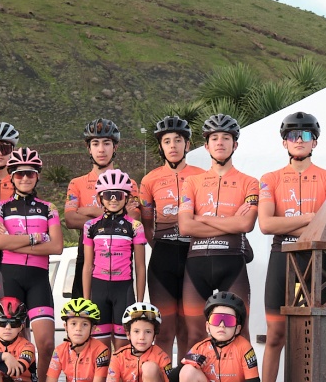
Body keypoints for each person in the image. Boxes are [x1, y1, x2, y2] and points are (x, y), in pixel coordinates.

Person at [257, 110, 326, 382]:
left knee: (316, 337)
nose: (299, 140)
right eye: (293, 135)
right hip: (282, 256)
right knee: (276, 335)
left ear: (314, 142)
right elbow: (266, 225)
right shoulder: (270, 178)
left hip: (317, 259)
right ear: (284, 143)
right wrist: (310, 219)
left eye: (305, 135)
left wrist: (288, 220)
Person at [179, 114, 259, 350]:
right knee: (194, 333)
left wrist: (202, 218)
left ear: (235, 144)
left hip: (232, 263)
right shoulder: (192, 182)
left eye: (226, 138)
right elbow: (185, 227)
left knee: (240, 331)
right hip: (196, 265)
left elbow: (245, 226)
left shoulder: (250, 182)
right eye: (214, 138)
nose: (220, 142)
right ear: (206, 145)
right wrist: (230, 220)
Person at [0, 147, 63, 378]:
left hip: (38, 278)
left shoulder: (48, 208)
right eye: (19, 173)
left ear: (38, 176)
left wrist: (13, 242)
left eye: (30, 173)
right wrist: (35, 238)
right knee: (16, 341)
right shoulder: (0, 208)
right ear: (11, 176)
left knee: (46, 342)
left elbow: (56, 247)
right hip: (10, 276)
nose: (24, 178)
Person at [138, 114, 202, 360]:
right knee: (164, 330)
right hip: (163, 257)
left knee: (190, 330)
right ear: (160, 146)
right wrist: (162, 245)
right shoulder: (150, 179)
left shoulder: (202, 176)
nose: (173, 146)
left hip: (193, 256)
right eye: (167, 141)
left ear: (188, 144)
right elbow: (147, 225)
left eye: (178, 140)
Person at [83, 169, 147, 349]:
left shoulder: (135, 226)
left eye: (118, 195)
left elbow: (140, 267)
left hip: (124, 290)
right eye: (108, 195)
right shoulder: (90, 226)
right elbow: (88, 266)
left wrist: (140, 301)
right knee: (99, 349)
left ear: (126, 198)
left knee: (123, 347)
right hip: (98, 289)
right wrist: (87, 301)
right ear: (99, 198)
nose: (113, 199)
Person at [64, 118, 126, 298]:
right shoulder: (77, 183)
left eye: (107, 143)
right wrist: (113, 214)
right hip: (86, 257)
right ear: (88, 148)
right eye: (95, 143)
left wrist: (88, 210)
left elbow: (133, 219)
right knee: (83, 319)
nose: (101, 149)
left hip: (120, 261)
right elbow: (70, 219)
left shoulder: (128, 183)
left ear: (115, 147)